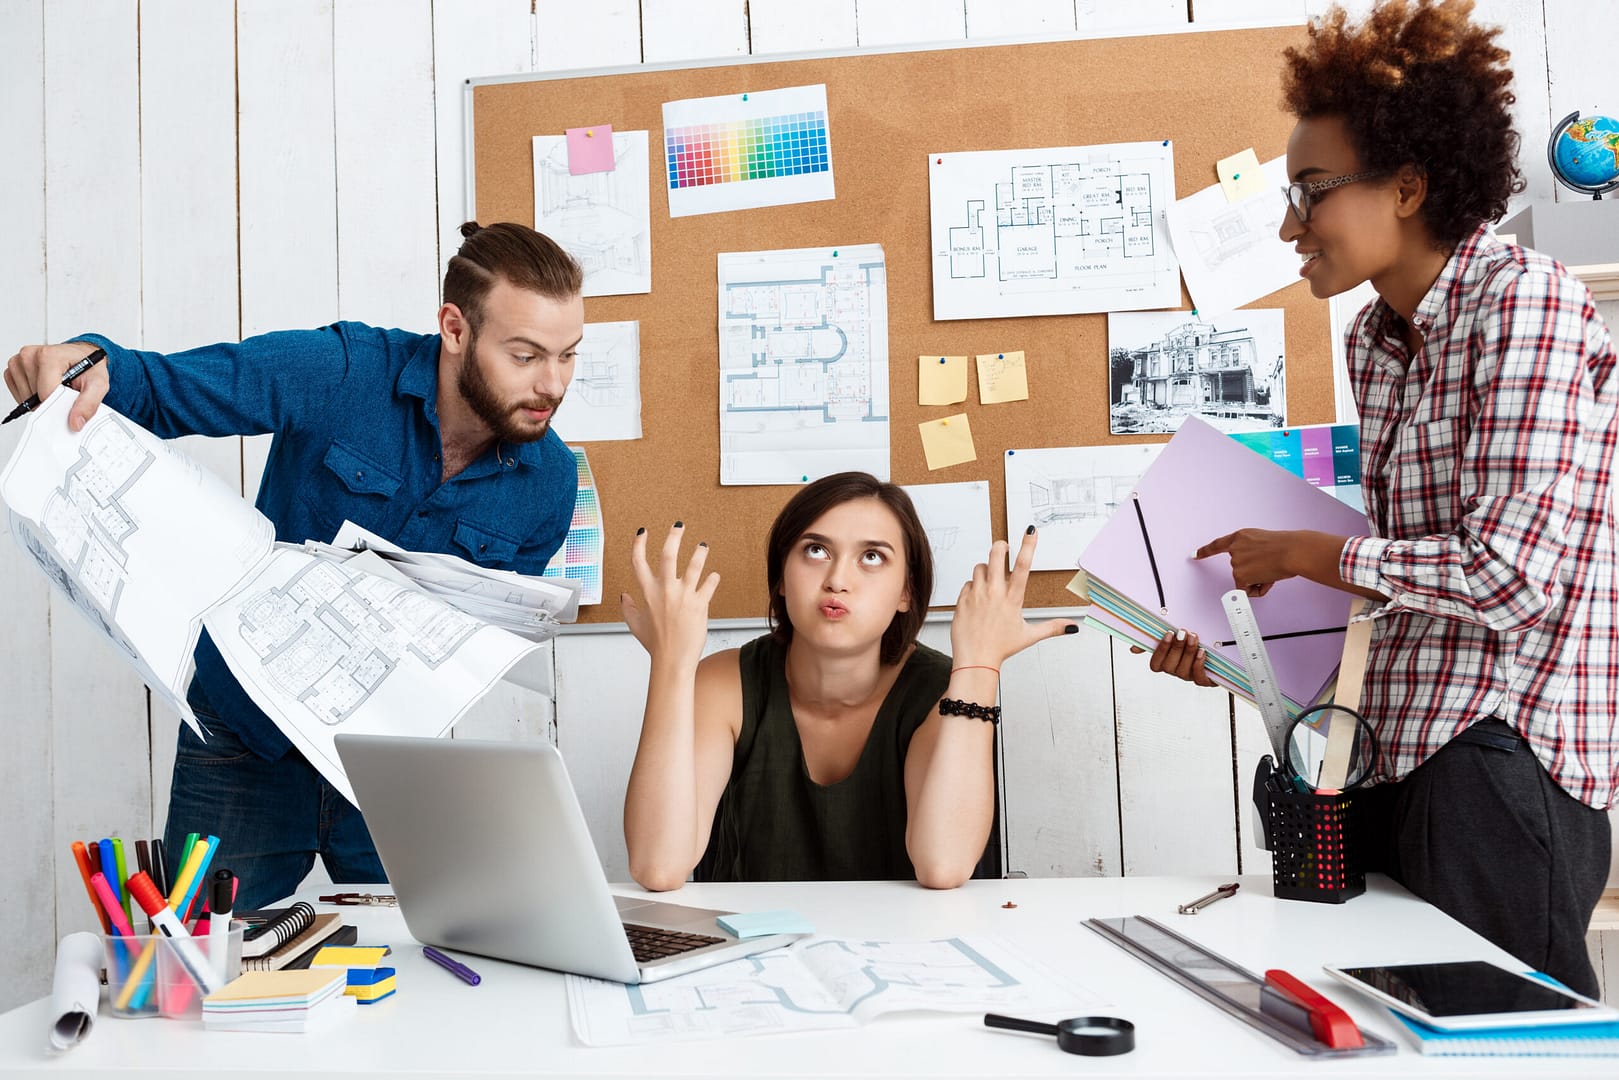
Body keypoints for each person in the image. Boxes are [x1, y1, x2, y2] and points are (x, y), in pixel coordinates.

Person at [1148, 0, 1616, 996]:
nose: (1286, 226)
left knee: (1507, 1050)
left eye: (1307, 192)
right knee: (1370, 1030)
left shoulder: (1524, 304)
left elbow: (1505, 579)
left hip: (1498, 762)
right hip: (1382, 749)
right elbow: (1404, 584)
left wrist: (1306, 555)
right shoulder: (1373, 339)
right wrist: (1243, 653)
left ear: (1405, 187)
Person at [4, 221, 587, 909]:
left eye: (569, 356)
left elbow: (480, 642)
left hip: (387, 766)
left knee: (425, 968)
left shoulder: (550, 484)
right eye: (525, 356)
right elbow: (171, 387)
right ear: (455, 329)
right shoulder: (344, 371)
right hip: (242, 741)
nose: (552, 383)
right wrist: (88, 361)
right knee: (196, 969)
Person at [620, 472, 1077, 890]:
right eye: (816, 551)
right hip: (747, 959)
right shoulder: (724, 684)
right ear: (781, 576)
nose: (837, 579)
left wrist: (979, 665)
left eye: (872, 557)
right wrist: (671, 663)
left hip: (912, 958)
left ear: (907, 592)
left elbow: (944, 865)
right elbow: (659, 866)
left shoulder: (942, 689)